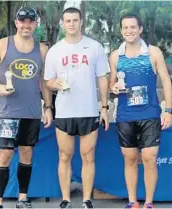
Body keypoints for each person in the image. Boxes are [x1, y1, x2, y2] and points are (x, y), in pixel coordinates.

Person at [0, 7, 53, 209]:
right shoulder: (3, 45)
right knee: (5, 155)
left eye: (30, 21)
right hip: (8, 113)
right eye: (23, 21)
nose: (26, 24)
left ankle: (23, 198)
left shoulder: (42, 49)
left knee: (27, 153)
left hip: (31, 112)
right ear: (16, 23)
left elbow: (45, 81)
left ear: (35, 24)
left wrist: (48, 107)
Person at [44, 6, 110, 209]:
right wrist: (54, 85)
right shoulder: (55, 50)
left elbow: (102, 79)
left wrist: (104, 107)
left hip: (89, 110)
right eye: (68, 21)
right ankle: (65, 199)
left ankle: (87, 199)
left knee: (88, 155)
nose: (71, 24)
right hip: (64, 111)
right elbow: (48, 81)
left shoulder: (95, 47)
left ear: (81, 22)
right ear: (63, 24)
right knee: (65, 155)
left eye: (75, 20)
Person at [109, 13, 172, 209]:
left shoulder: (153, 53)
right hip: (125, 116)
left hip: (150, 114)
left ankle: (149, 202)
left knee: (149, 158)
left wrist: (168, 110)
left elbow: (165, 80)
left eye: (133, 27)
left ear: (140, 29)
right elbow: (112, 83)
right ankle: (132, 201)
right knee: (130, 159)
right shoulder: (115, 55)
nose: (129, 31)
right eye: (126, 27)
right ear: (121, 31)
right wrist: (113, 88)